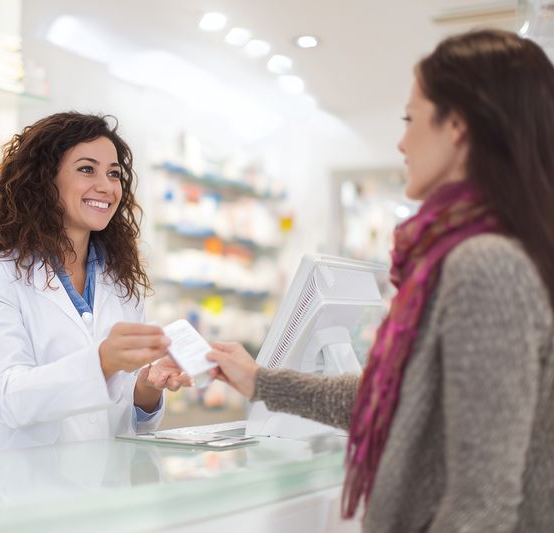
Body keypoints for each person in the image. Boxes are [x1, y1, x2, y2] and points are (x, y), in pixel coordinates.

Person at [208, 29, 554, 533]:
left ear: (456, 125)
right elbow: (397, 400)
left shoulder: (486, 265)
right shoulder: (473, 252)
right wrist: (261, 381)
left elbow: (482, 505)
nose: (401, 140)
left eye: (411, 118)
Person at [0, 112, 190, 452]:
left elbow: (125, 414)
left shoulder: (120, 279)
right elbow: (8, 399)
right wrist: (102, 361)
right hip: (27, 489)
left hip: (106, 486)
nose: (106, 186)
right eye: (86, 169)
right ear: (44, 180)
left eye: (114, 173)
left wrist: (148, 386)